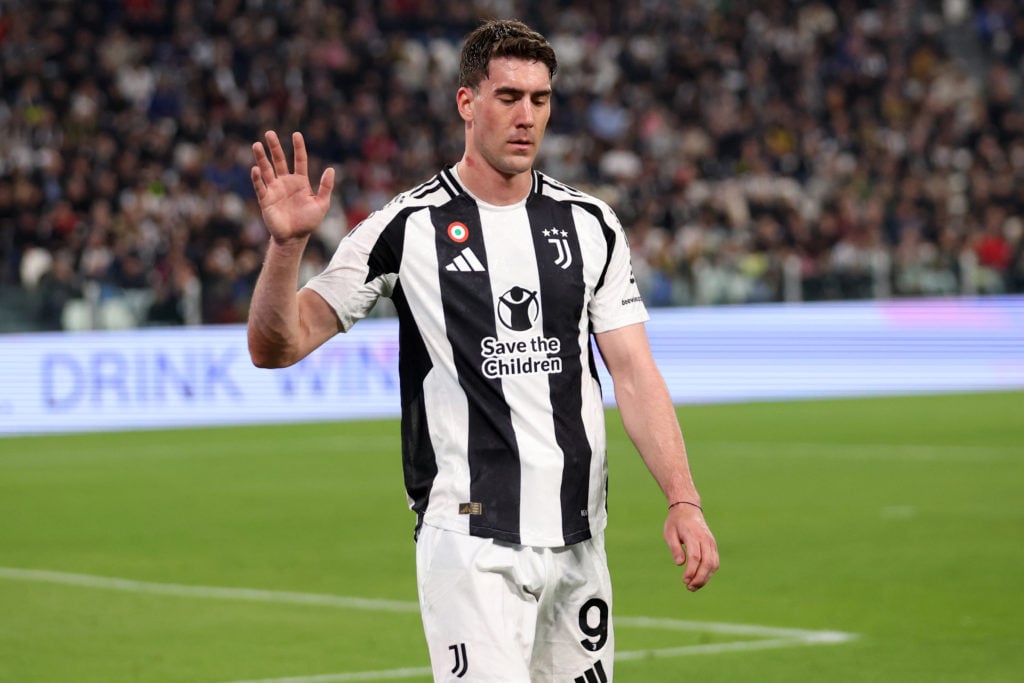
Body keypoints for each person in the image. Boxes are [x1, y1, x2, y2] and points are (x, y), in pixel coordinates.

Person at [247, 18, 718, 682]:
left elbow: (634, 373)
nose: (527, 116)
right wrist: (286, 247)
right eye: (509, 97)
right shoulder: (404, 228)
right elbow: (278, 344)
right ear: (467, 102)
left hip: (579, 541)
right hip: (470, 543)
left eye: (540, 99)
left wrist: (683, 498)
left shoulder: (591, 224)